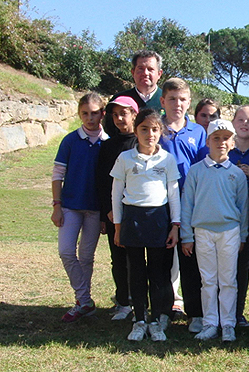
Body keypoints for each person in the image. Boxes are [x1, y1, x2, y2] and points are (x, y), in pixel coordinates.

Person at [111, 109, 181, 342]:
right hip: (132, 219)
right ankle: (139, 319)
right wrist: (119, 227)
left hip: (158, 219)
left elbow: (173, 194)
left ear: (160, 131)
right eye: (144, 129)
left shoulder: (167, 160)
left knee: (159, 273)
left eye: (154, 129)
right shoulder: (125, 158)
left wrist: (175, 226)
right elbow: (116, 193)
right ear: (135, 130)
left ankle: (156, 319)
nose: (149, 134)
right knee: (136, 272)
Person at [181, 119, 249, 342]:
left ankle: (228, 323)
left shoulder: (237, 174)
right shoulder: (196, 171)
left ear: (232, 142)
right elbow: (187, 205)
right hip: (203, 232)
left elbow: (243, 207)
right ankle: (210, 322)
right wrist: (187, 236)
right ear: (208, 141)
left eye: (226, 138)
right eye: (216, 138)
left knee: (228, 280)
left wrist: (242, 235)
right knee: (208, 280)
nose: (221, 142)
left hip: (229, 231)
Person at [52, 92, 108, 323]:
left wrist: (106, 214)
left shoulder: (107, 143)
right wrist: (57, 205)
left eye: (95, 113)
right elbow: (57, 175)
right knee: (66, 251)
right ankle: (85, 299)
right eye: (85, 113)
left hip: (95, 209)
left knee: (86, 256)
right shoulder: (70, 140)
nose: (90, 118)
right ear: (79, 114)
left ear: (102, 114)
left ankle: (83, 302)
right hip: (70, 206)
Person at [158, 78, 209, 333]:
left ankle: (195, 312)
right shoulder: (156, 129)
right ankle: (163, 309)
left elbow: (202, 168)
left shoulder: (198, 132)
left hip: (190, 204)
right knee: (162, 259)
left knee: (190, 259)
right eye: (172, 99)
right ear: (162, 101)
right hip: (160, 203)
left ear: (189, 102)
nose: (177, 104)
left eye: (182, 99)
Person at [96, 96, 139, 321]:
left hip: (138, 211)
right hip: (115, 212)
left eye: (124, 113)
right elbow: (103, 182)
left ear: (134, 114)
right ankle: (123, 301)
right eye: (115, 115)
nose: (120, 119)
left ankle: (140, 302)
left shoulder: (142, 143)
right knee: (118, 258)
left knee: (138, 260)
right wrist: (108, 212)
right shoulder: (108, 145)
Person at [229, 105, 249, 327]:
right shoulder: (223, 150)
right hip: (226, 211)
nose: (244, 124)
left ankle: (238, 312)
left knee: (243, 262)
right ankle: (220, 312)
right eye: (240, 119)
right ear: (233, 123)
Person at [104, 50, 164, 138]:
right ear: (133, 72)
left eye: (150, 69)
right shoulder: (119, 100)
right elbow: (109, 129)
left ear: (159, 74)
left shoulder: (169, 99)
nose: (145, 73)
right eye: (140, 69)